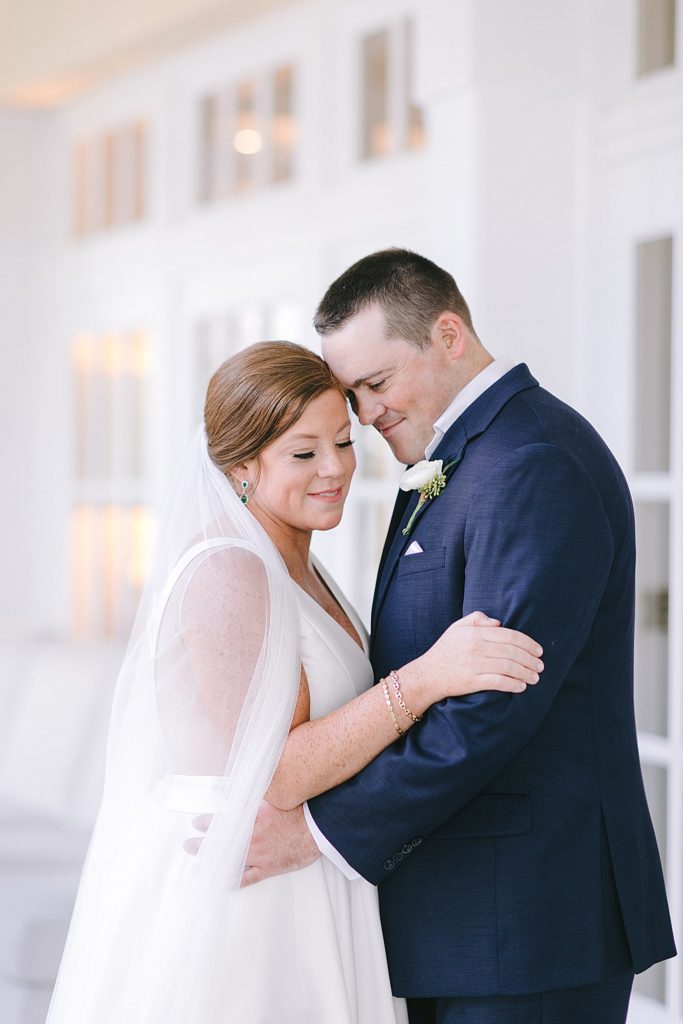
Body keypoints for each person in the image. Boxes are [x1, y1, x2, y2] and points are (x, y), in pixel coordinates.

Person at [45, 340, 542, 1024]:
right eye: (303, 454)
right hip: (242, 896)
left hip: (305, 879)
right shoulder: (229, 571)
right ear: (240, 467)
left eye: (342, 441)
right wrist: (428, 678)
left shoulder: (298, 564)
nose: (336, 468)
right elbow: (277, 771)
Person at [242, 251, 676, 1024]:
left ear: (448, 334)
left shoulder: (530, 460)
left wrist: (322, 833)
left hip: (529, 918)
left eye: (375, 385)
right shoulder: (466, 455)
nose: (364, 415)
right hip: (461, 916)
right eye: (353, 394)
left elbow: (490, 708)